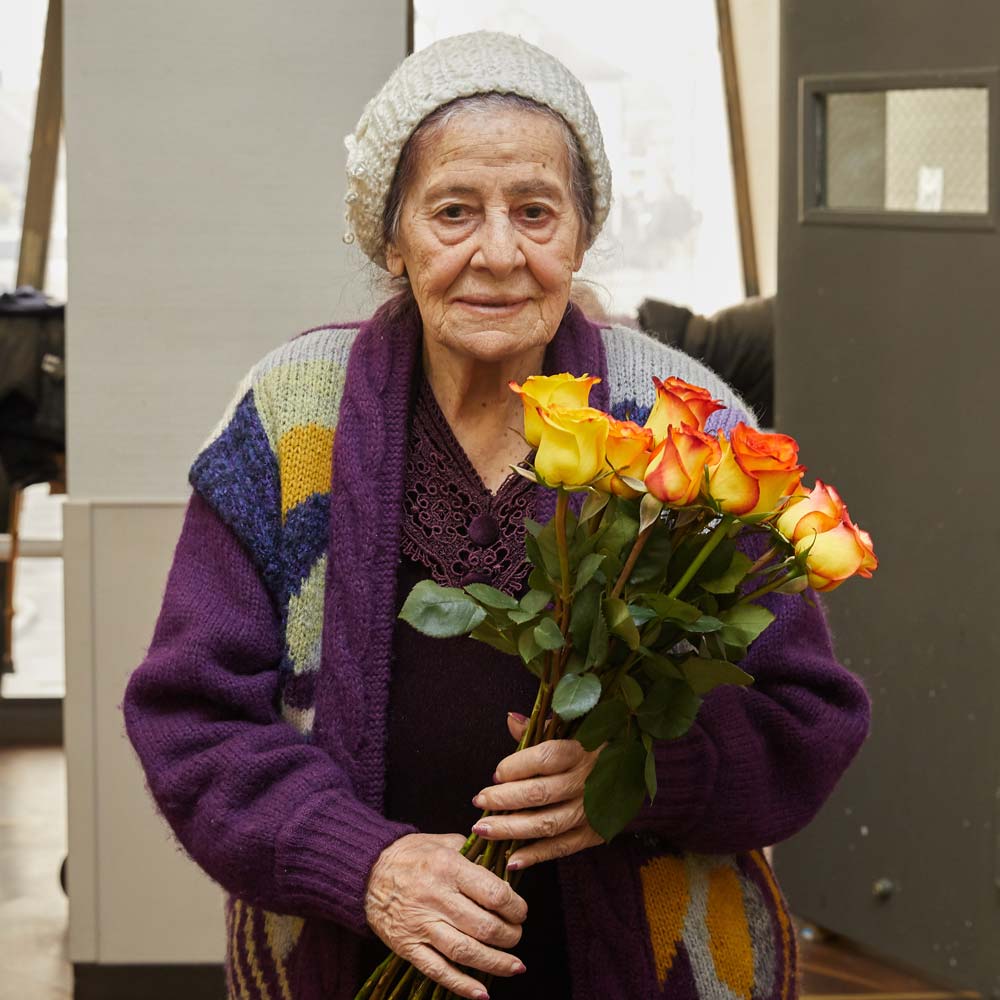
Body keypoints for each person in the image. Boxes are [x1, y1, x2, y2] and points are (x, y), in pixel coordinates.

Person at [123, 31, 870, 1000]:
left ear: (580, 232)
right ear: (389, 236)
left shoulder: (681, 421)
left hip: (645, 968)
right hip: (357, 955)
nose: (499, 253)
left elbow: (805, 716)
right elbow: (191, 716)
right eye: (452, 211)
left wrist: (639, 777)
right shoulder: (292, 414)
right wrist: (364, 865)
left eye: (534, 211)